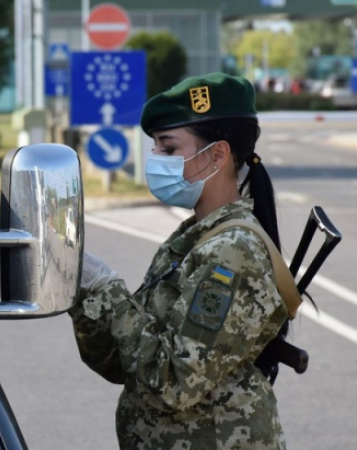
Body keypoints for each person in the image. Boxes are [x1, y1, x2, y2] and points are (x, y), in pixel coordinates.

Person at [69, 73, 290, 449]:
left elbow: (175, 382)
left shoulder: (231, 251)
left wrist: (109, 290)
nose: (155, 159)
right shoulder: (196, 236)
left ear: (217, 155)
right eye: (155, 147)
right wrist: (84, 294)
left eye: (168, 149)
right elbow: (124, 362)